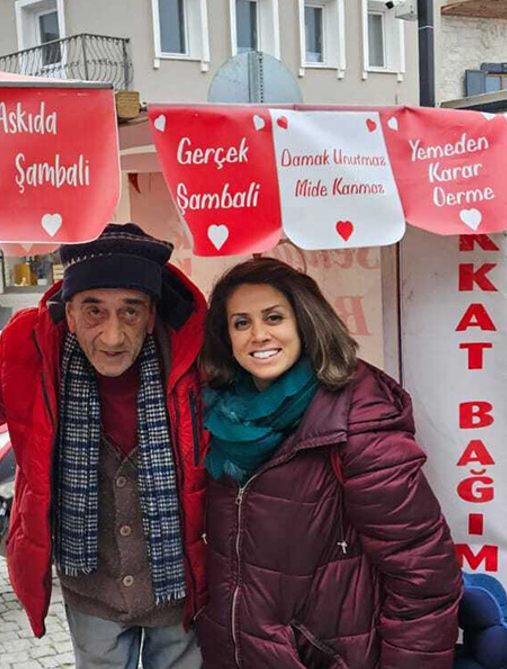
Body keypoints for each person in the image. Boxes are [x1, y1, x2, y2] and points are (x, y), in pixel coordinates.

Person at [0, 223, 207, 669]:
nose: (112, 335)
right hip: (91, 587)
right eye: (94, 311)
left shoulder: (194, 350)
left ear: (151, 315)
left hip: (180, 585)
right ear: (68, 313)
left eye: (130, 312)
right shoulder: (28, 343)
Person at [194, 257, 461, 669]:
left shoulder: (356, 421)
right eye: (241, 323)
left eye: (274, 317)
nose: (258, 334)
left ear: (305, 322)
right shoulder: (221, 417)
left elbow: (423, 574)